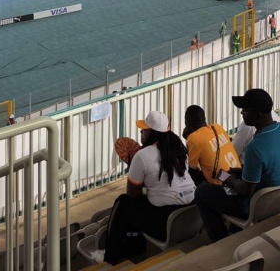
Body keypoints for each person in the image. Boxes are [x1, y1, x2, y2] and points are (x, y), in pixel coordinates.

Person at [81, 111, 196, 265]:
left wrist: (134, 167)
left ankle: (110, 256)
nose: (141, 132)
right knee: (144, 202)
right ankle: (135, 246)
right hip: (191, 215)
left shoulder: (142, 155)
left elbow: (133, 194)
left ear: (153, 133)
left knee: (123, 203)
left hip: (166, 223)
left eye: (144, 129)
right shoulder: (179, 148)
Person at [194, 88, 280, 242]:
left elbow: (246, 189)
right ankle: (234, 230)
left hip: (256, 204)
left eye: (245, 110)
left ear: (257, 115)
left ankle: (221, 240)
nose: (241, 113)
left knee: (202, 192)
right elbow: (269, 167)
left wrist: (229, 179)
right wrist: (242, 171)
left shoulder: (255, 148)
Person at [183, 105, 240, 186]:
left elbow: (191, 169)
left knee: (198, 188)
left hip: (223, 184)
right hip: (238, 177)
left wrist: (189, 139)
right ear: (204, 119)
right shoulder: (217, 127)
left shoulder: (193, 138)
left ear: (186, 123)